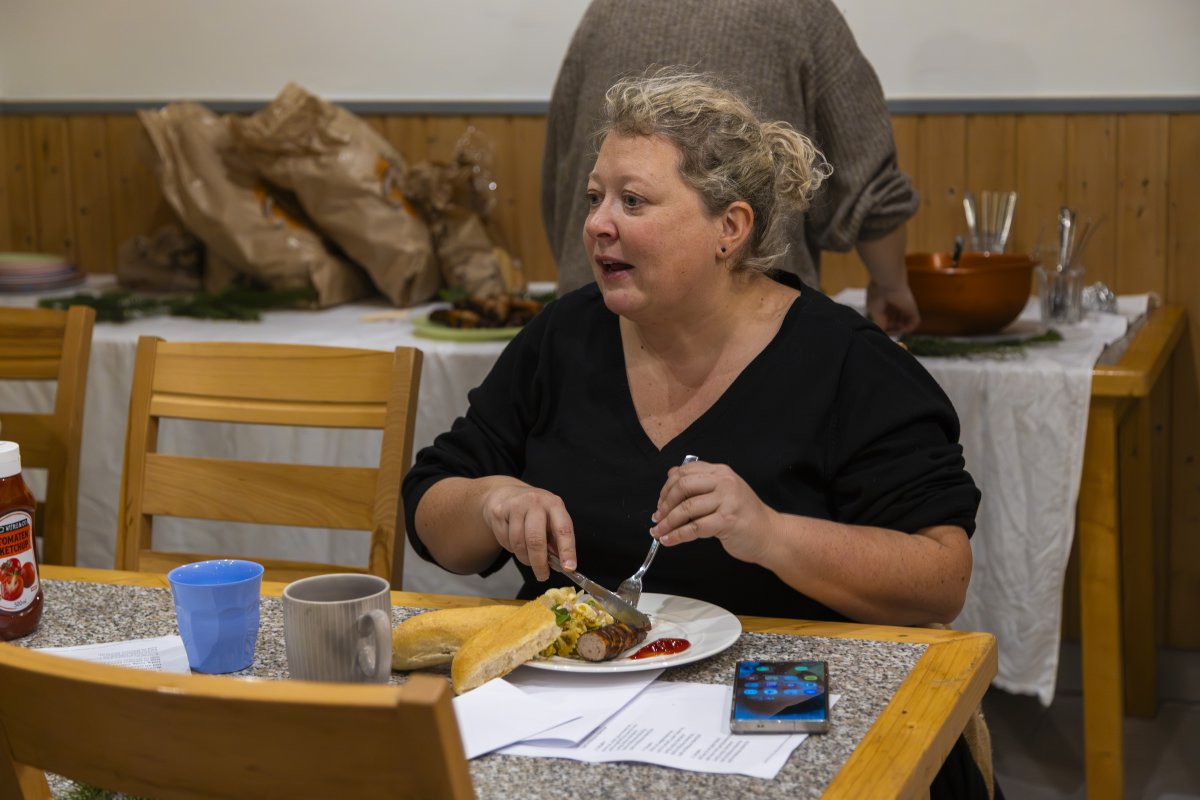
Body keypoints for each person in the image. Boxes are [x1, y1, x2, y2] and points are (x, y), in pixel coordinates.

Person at [404, 70, 989, 797]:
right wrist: (491, 501)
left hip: (785, 706)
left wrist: (771, 534)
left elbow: (941, 580)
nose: (598, 224)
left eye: (633, 201)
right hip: (577, 721)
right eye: (594, 198)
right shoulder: (565, 337)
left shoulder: (846, 363)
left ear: (729, 229)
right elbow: (433, 512)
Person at [541, 0, 922, 334]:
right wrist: (891, 287)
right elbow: (871, 185)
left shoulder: (605, 11)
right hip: (750, 335)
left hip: (594, 318)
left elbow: (557, 181)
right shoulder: (801, 11)